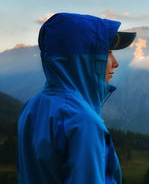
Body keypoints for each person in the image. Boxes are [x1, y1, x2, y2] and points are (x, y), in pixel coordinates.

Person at [17, 13, 136, 184]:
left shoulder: (31, 107)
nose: (115, 62)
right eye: (107, 53)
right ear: (84, 60)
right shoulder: (81, 121)